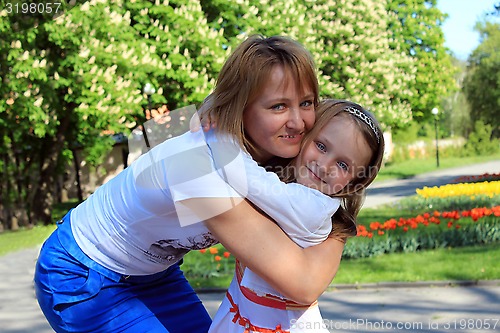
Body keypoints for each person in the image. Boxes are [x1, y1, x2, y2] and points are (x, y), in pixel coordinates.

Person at [33, 34, 338, 333]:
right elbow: (303, 283)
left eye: (307, 103)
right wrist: (345, 209)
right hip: (83, 273)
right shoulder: (198, 169)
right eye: (278, 107)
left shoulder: (272, 153)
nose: (298, 122)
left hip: (155, 274)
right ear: (239, 108)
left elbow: (346, 140)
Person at [208, 99, 384, 333]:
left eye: (342, 164)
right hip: (242, 313)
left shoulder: (314, 208)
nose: (324, 165)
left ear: (355, 181)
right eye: (321, 146)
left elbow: (247, 177)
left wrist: (213, 133)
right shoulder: (283, 182)